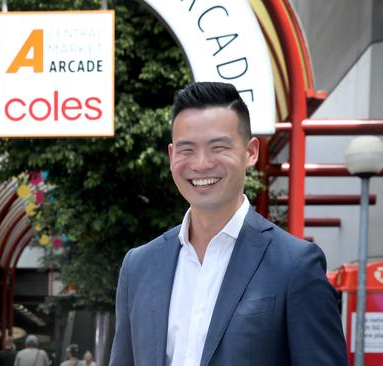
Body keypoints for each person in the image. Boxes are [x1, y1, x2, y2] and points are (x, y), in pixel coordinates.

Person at [109, 82, 348, 366]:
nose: (200, 164)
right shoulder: (139, 266)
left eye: (218, 147)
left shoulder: (295, 266)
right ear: (172, 156)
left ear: (251, 152)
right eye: (187, 150)